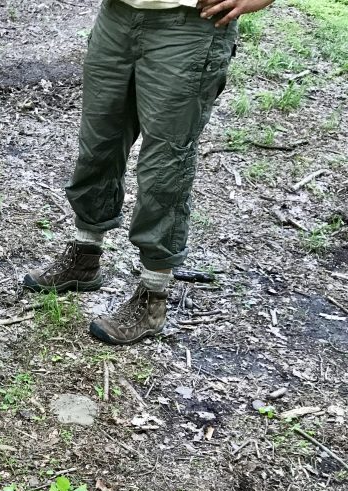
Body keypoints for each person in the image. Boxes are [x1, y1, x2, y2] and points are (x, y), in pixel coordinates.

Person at [23, 0, 273, 344]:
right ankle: (84, 256)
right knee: (98, 146)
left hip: (190, 25)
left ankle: (152, 298)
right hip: (117, 16)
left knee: (165, 167)